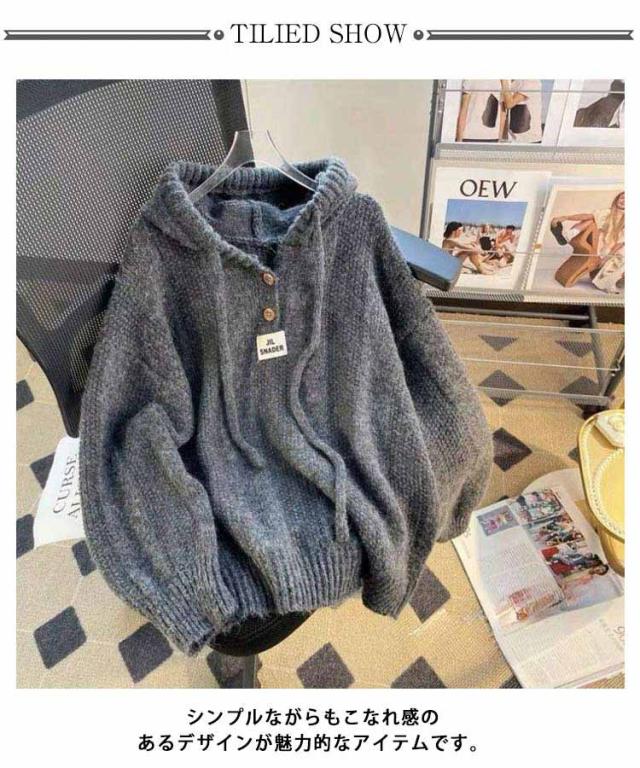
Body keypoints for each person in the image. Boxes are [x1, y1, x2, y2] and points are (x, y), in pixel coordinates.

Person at [552, 192, 625, 290]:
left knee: (619, 261)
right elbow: (586, 216)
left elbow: (620, 243)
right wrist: (566, 217)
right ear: (616, 199)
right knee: (591, 219)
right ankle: (568, 235)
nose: (624, 201)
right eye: (622, 198)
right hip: (599, 242)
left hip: (610, 249)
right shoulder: (607, 212)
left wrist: (607, 257)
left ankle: (567, 236)